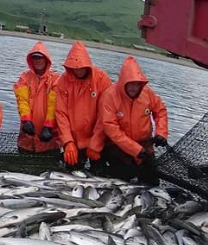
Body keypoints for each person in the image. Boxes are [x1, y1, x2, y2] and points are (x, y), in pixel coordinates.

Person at [92, 56, 168, 185]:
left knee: (152, 183)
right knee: (121, 182)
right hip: (118, 148)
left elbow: (160, 111)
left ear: (141, 83)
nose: (134, 87)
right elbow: (111, 129)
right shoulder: (109, 96)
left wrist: (161, 132)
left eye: (137, 84)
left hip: (145, 146)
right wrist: (135, 150)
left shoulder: (148, 93)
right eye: (130, 83)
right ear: (123, 82)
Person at [55, 41, 112, 170]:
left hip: (97, 140)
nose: (78, 70)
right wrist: (68, 142)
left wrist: (95, 144)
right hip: (74, 141)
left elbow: (106, 114)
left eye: (81, 66)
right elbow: (61, 114)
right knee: (71, 173)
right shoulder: (63, 81)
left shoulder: (102, 80)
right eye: (74, 67)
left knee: (99, 172)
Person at [13, 43, 61, 153]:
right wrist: (26, 120)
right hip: (27, 139)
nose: (37, 61)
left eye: (40, 58)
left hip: (50, 140)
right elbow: (22, 100)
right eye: (34, 58)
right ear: (31, 60)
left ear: (46, 59)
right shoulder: (24, 77)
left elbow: (54, 105)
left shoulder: (56, 80)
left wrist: (48, 126)